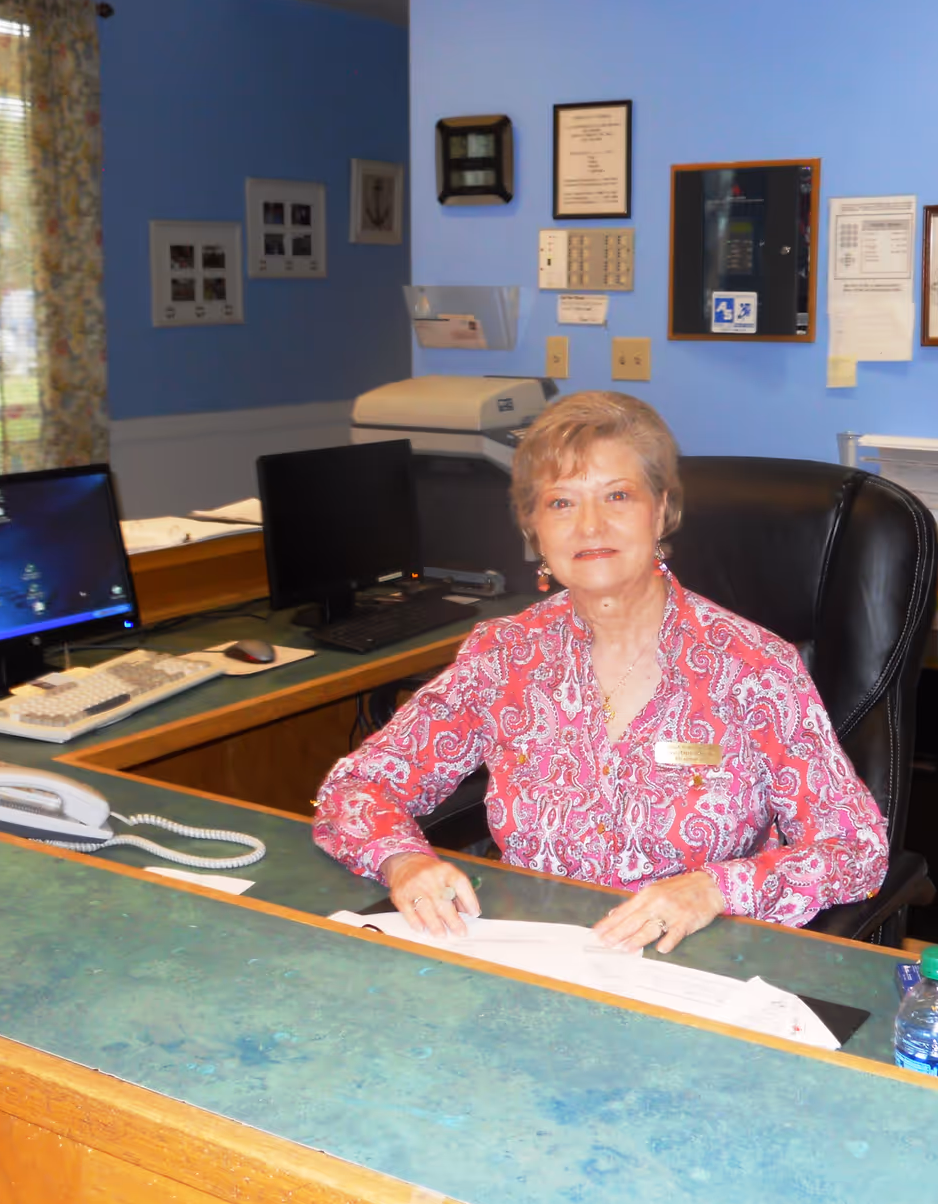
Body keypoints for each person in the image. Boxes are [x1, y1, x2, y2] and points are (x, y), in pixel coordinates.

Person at [312, 391, 890, 953]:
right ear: (533, 528)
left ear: (661, 511)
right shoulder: (505, 657)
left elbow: (856, 848)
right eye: (561, 502)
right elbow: (359, 784)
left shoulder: (752, 666)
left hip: (696, 963)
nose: (589, 526)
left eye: (617, 496)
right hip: (536, 957)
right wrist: (404, 860)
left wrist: (715, 889)